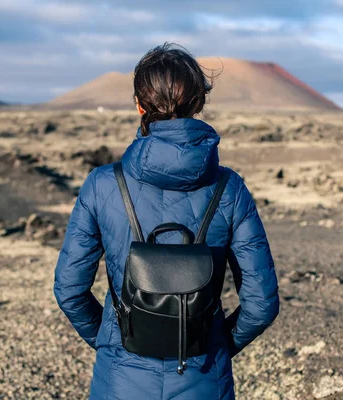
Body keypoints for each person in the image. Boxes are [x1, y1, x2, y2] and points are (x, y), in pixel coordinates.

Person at [54, 43, 279, 400]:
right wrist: (215, 344)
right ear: (199, 104)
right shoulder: (229, 188)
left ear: (140, 106)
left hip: (120, 380)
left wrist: (114, 341)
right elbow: (262, 303)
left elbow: (69, 289)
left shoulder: (102, 184)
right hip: (205, 379)